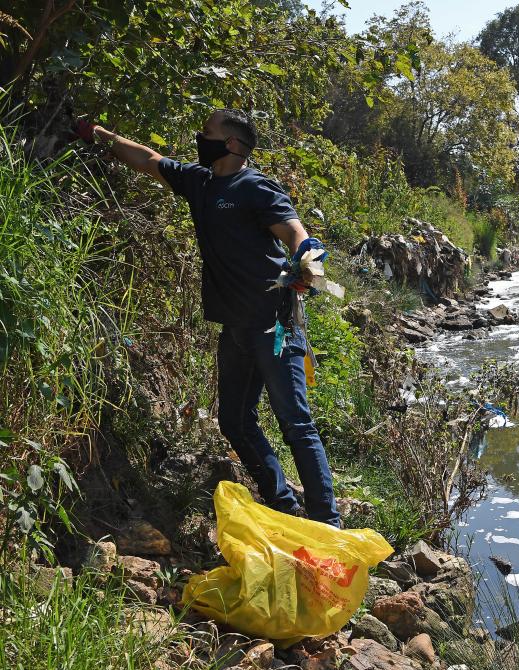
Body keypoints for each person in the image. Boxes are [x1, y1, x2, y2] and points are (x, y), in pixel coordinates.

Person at [73, 109, 341, 527]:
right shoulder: (199, 182)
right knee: (234, 421)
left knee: (295, 423)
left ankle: (327, 523)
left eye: (208, 132)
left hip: (274, 326)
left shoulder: (255, 187)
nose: (201, 137)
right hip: (234, 329)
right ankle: (283, 504)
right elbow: (147, 159)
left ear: (232, 144)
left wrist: (309, 257)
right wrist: (98, 133)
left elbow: (294, 231)